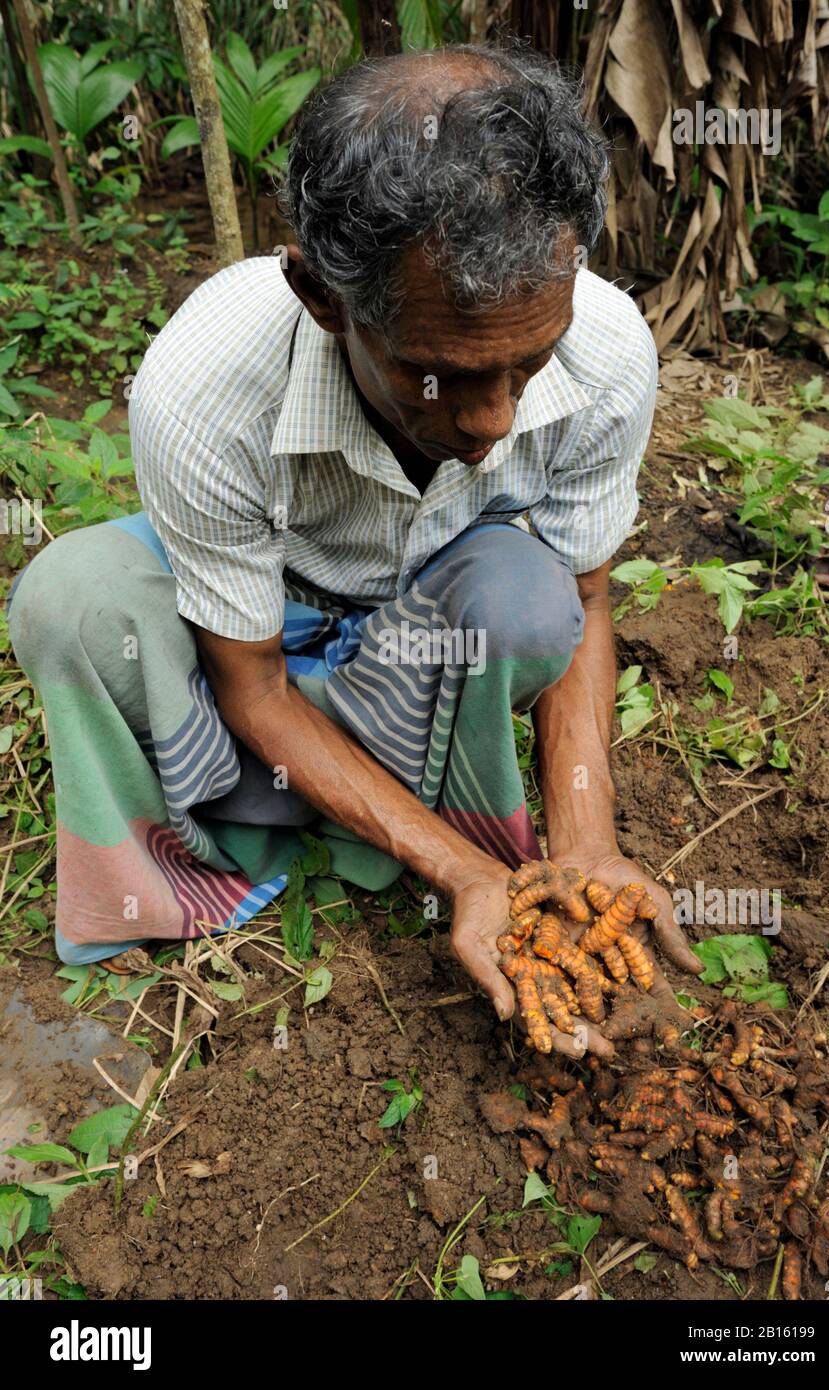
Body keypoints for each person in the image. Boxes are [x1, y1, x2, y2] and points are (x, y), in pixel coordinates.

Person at [8, 43, 701, 1057]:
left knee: (531, 597)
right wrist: (458, 873)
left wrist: (586, 842)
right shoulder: (202, 383)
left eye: (526, 363)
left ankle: (465, 836)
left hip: (428, 624)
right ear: (322, 299)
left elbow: (587, 599)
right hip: (256, 633)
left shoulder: (603, 351)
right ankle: (182, 878)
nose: (493, 420)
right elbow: (249, 682)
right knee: (68, 597)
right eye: (439, 375)